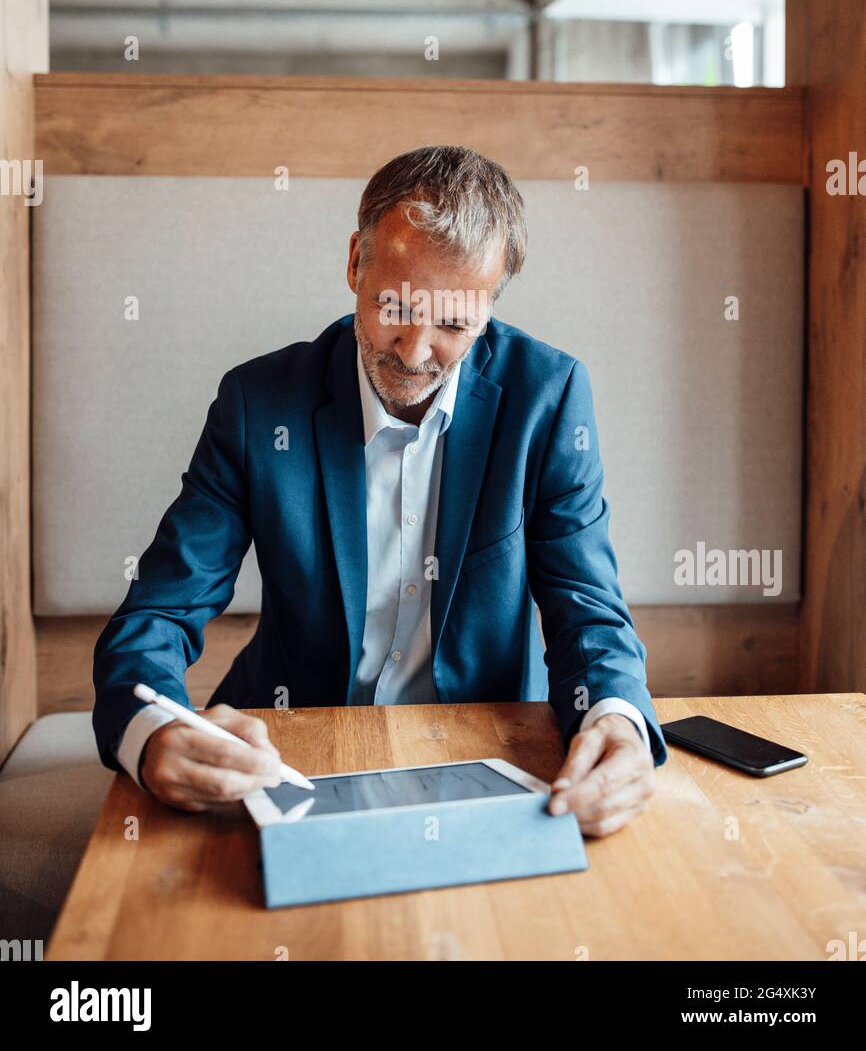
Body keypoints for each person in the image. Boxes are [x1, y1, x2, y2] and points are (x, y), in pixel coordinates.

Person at [93, 145, 665, 834]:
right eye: (393, 305)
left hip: (488, 753)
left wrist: (618, 719)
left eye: (453, 324)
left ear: (489, 309)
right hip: (288, 749)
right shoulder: (257, 405)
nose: (415, 351)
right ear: (353, 265)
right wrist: (149, 731)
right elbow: (159, 609)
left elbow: (587, 609)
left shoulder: (548, 398)